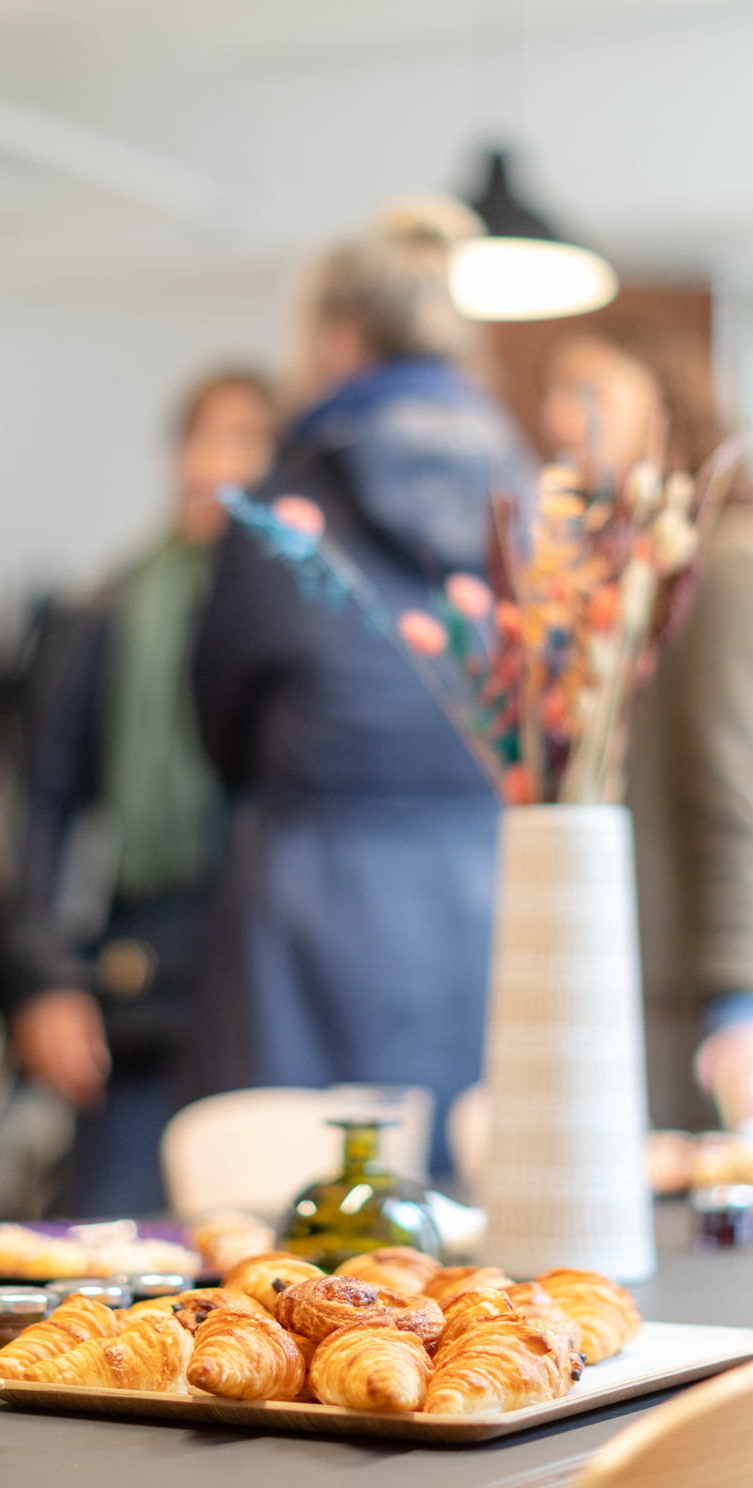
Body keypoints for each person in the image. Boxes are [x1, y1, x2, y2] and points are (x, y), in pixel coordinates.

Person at [185, 200, 530, 1173]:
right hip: (491, 897)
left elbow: (216, 717)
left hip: (309, 905)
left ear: (337, 337)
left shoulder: (287, 501)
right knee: (476, 1237)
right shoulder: (532, 496)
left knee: (291, 1229)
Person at [0, 368, 277, 1216]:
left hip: (259, 982)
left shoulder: (292, 627)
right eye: (198, 438)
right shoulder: (109, 612)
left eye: (239, 441)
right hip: (139, 986)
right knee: (108, 1239)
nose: (209, 464)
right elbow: (39, 803)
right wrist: (44, 978)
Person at [539, 326, 753, 1131]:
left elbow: (732, 790)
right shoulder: (631, 574)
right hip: (638, 986)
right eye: (555, 393)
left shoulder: (727, 565)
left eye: (591, 391)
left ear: (668, 410)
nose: (562, 417)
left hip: (693, 1000)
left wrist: (745, 1000)